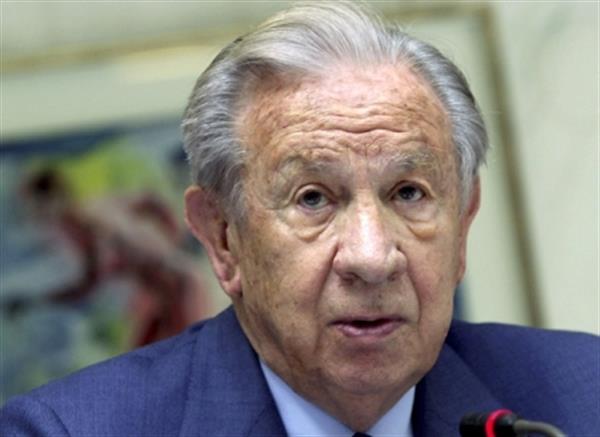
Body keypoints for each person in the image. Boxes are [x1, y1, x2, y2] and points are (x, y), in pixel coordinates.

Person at [1, 2, 598, 436]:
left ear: (463, 222)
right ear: (223, 238)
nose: (371, 257)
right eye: (313, 199)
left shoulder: (583, 399)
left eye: (408, 193)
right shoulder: (64, 430)